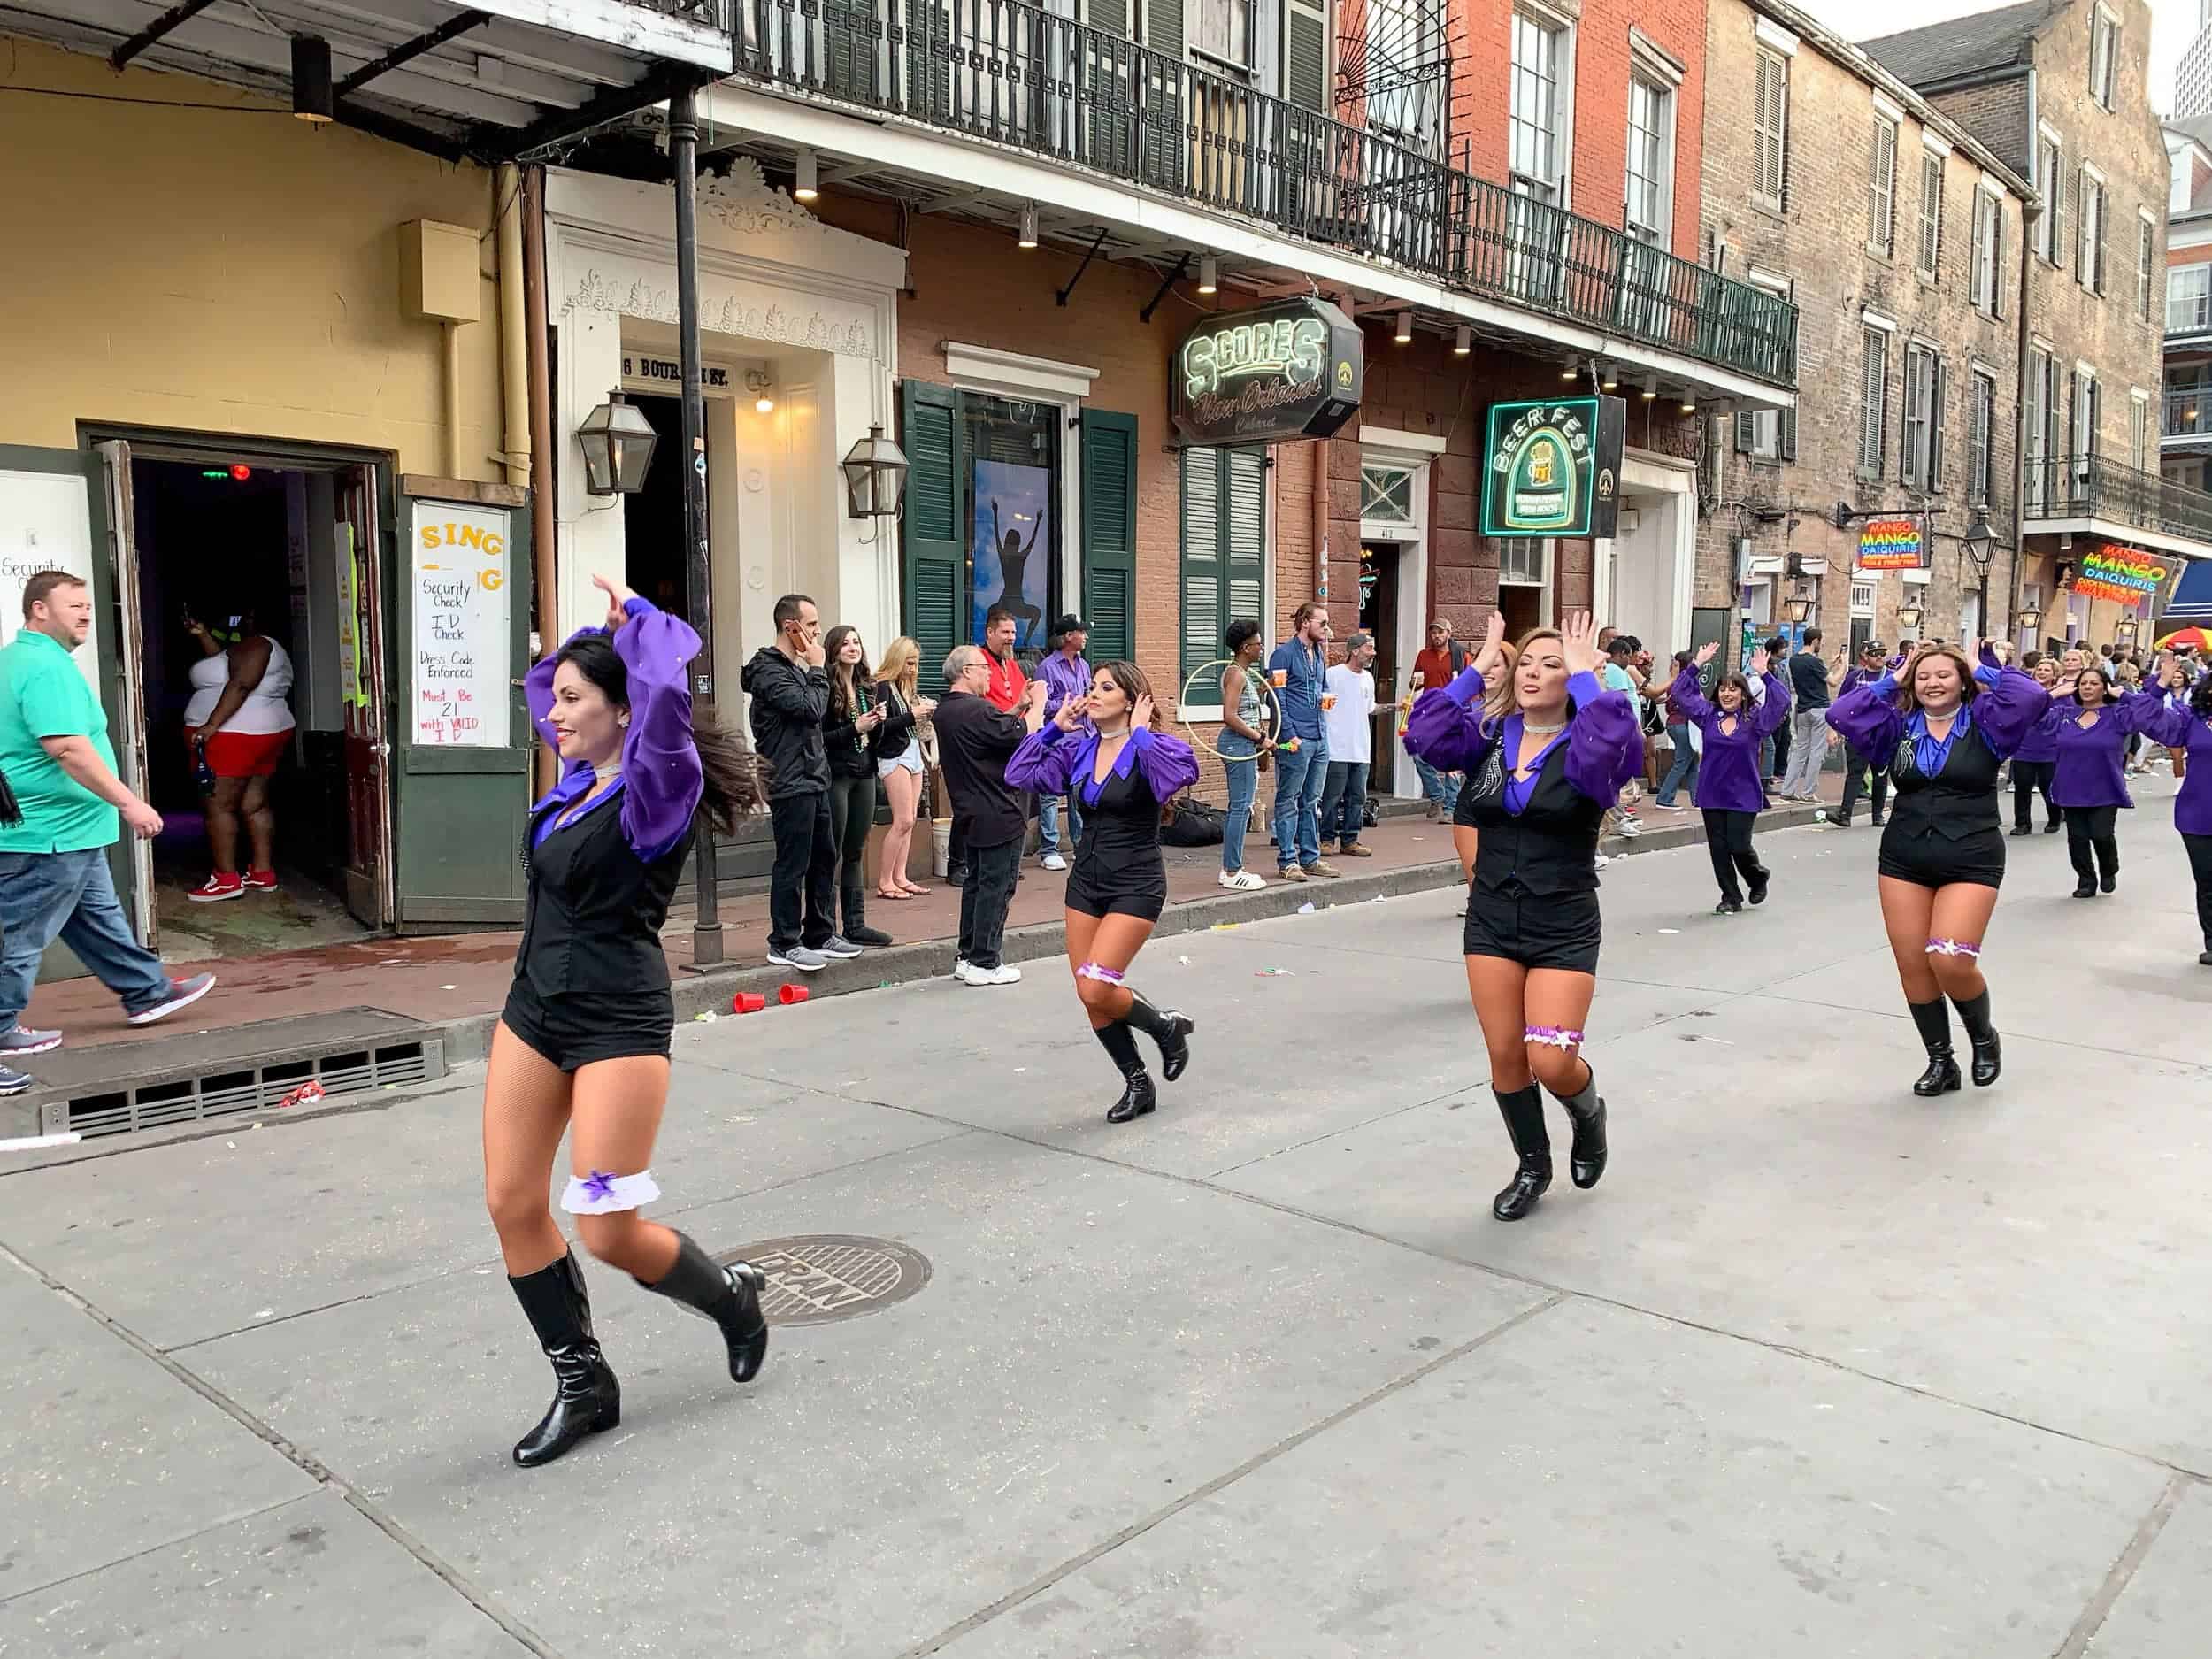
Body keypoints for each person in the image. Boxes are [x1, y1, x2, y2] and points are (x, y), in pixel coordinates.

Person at [486, 574, 771, 1469]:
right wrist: (581, 652)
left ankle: (728, 1296)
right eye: (556, 699)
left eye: (574, 701)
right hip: (534, 1012)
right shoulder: (573, 785)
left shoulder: (655, 791)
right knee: (511, 1201)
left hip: (617, 1022)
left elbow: (665, 704)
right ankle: (584, 1383)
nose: (554, 714)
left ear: (623, 709)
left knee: (606, 1227)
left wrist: (639, 628)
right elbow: (561, 695)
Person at [1403, 612, 1642, 1223]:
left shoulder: (1588, 746)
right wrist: (1476, 668)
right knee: (1508, 1055)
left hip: (1562, 918)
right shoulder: (1488, 734)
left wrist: (1590, 678)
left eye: (1551, 663)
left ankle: (1588, 1111)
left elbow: (1619, 746)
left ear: (1575, 678)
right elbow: (1423, 734)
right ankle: (1532, 1164)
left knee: (1551, 1059)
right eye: (1527, 663)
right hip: (1490, 918)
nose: (1534, 672)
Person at [0, 572, 217, 1098]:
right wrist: (130, 802)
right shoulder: (45, 669)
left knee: (96, 918)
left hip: (68, 830)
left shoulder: (16, 659)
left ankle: (146, 992)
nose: (84, 614)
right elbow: (68, 748)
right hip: (49, 832)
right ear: (38, 611)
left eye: (87, 606)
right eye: (72, 605)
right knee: (18, 935)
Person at [1826, 641, 2051, 1095]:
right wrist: (1891, 680)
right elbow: (1842, 715)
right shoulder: (1897, 726)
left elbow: (2033, 697)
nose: (1933, 682)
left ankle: (1984, 1037)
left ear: (1962, 681)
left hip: (1971, 853)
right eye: (1923, 675)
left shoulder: (1988, 722)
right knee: (1914, 965)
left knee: (1948, 960)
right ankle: (1940, 1060)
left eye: (1945, 674)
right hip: (1905, 855)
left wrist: (1982, 669)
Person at [1008, 660, 1201, 1122]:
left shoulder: (1155, 748)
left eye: (1106, 687)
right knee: (1087, 993)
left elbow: (1179, 774)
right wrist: (1053, 728)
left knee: (1098, 986)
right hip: (1086, 883)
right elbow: (1018, 774)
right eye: (1092, 686)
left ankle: (1165, 1027)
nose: (1092, 693)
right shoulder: (1079, 748)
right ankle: (1137, 1080)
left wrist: (1138, 734)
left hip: (1136, 883)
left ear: (1132, 701)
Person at [742, 595, 860, 973]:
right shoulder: (768, 671)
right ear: (790, 628)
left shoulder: (794, 668)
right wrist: (817, 670)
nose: (818, 633)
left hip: (814, 775)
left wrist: (811, 671)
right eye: (811, 626)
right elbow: (811, 709)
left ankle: (820, 932)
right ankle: (784, 941)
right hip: (789, 779)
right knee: (793, 862)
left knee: (824, 856)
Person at [178, 602, 296, 902]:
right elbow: (222, 667)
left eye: (246, 615)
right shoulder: (258, 647)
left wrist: (211, 725)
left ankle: (226, 877)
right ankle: (261, 872)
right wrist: (202, 634)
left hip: (236, 736)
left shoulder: (256, 645)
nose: (238, 622)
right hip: (261, 733)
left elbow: (242, 684)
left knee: (218, 806)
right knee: (254, 803)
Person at [1669, 642, 1791, 913]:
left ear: (1743, 694)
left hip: (1743, 792)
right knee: (1719, 849)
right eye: (1723, 689)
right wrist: (1695, 665)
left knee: (1739, 845)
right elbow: (1679, 693)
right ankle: (1730, 897)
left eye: (1733, 689)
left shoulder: (1755, 719)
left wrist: (1765, 674)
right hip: (1712, 791)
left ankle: (1756, 875)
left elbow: (1782, 701)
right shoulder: (1708, 715)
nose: (1727, 693)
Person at [934, 645, 1031, 986]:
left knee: (976, 885)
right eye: (984, 668)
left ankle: (968, 956)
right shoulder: (977, 710)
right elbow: (1020, 737)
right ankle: (986, 961)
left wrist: (1017, 707)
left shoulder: (947, 710)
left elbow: (995, 731)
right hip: (998, 810)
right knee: (996, 887)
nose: (990, 673)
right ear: (966, 671)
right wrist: (1036, 710)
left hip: (970, 810)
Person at [2041, 663, 2162, 899]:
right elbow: (2030, 712)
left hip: (2105, 786)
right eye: (2083, 683)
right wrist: (2053, 694)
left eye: (2094, 683)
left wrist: (2124, 695)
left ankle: (2109, 869)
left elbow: (2147, 711)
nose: (2087, 687)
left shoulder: (2117, 715)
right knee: (2077, 838)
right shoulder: (2064, 714)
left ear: (2105, 687)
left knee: (2101, 834)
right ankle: (2086, 879)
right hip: (2070, 786)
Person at [820, 625, 894, 949]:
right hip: (837, 775)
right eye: (846, 643)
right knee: (831, 852)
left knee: (855, 851)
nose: (853, 648)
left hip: (865, 773)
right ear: (833, 649)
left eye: (857, 642)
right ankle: (824, 926)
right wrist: (856, 727)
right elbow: (820, 740)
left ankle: (855, 924)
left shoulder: (867, 687)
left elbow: (872, 738)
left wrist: (877, 723)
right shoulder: (824, 687)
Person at [947, 606, 1031, 885]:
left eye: (1014, 632)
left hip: (1007, 738)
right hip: (984, 738)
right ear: (990, 632)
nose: (1011, 638)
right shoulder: (977, 660)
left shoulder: (1012, 663)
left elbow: (1015, 697)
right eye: (1005, 632)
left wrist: (1022, 705)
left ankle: (1006, 862)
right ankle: (958, 863)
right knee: (972, 807)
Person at [2136, 661, 2212, 964]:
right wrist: (2160, 684)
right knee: (2207, 882)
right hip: (2199, 812)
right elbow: (2145, 717)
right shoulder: (2193, 717)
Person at [1269, 602, 1334, 880]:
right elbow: (1277, 699)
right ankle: (1287, 860)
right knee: (1289, 799)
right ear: (1306, 622)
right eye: (1323, 623)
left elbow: (1324, 686)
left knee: (1311, 800)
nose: (1327, 629)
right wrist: (1289, 734)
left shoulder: (1319, 653)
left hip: (1319, 735)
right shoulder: (1282, 655)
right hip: (1297, 738)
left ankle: (1310, 857)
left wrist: (1328, 701)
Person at [869, 637, 934, 902]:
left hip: (912, 751)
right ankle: (885, 881)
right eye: (909, 663)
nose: (913, 669)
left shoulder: (905, 687)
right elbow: (879, 729)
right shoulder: (882, 686)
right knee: (903, 820)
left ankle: (901, 876)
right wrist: (913, 714)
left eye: (916, 664)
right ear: (897, 660)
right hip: (893, 755)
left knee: (910, 819)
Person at [1217, 619, 1272, 891]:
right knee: (1240, 808)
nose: (1261, 648)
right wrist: (1260, 738)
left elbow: (1245, 706)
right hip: (1236, 744)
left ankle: (1231, 868)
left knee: (1242, 806)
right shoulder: (1236, 674)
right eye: (1258, 644)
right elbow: (1229, 715)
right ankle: (1232, 870)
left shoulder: (1243, 673)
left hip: (1243, 744)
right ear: (1245, 647)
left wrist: (1266, 687)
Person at [1035, 616, 1091, 872]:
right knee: (1049, 794)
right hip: (1056, 737)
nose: (1086, 637)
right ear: (1069, 636)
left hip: (1082, 737)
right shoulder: (1047, 667)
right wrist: (1069, 705)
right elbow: (1043, 703)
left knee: (1078, 793)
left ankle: (1080, 845)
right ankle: (1049, 849)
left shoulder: (1084, 666)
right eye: (1082, 632)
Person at [1317, 632, 1378, 858]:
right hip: (1336, 746)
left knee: (1357, 797)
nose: (1373, 652)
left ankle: (1350, 839)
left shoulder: (1368, 678)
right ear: (1355, 651)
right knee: (1332, 796)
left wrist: (1396, 708)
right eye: (1369, 648)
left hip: (1361, 747)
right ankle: (1326, 839)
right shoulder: (1333, 675)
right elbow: (1321, 703)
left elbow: (1370, 708)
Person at [1832, 640, 1893, 828]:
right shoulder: (1855, 677)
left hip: (1881, 734)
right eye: (1875, 654)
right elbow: (1841, 702)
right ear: (1866, 657)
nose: (1880, 657)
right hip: (1858, 733)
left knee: (1880, 775)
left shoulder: (1892, 676)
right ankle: (1845, 814)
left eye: (1883, 653)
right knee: (1855, 774)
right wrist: (1835, 728)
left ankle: (1877, 815)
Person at [1409, 618, 1465, 818]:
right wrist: (1415, 683)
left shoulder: (1460, 655)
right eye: (1433, 633)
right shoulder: (1424, 655)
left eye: (1440, 632)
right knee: (1418, 756)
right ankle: (1437, 796)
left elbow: (1471, 684)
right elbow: (1414, 684)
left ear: (1449, 633)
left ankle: (1450, 808)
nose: (1437, 636)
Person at [1777, 626, 1839, 804]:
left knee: (1800, 750)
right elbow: (1833, 682)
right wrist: (1841, 668)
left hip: (1802, 709)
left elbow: (1814, 675)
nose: (1823, 644)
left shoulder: (1794, 660)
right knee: (1817, 752)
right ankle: (1808, 792)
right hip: (1819, 710)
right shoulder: (1815, 661)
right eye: (1822, 641)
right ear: (1815, 641)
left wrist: (1831, 665)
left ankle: (1787, 790)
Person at [2008, 657, 2063, 836]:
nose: (2041, 672)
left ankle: (2055, 818)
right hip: (2024, 747)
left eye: (2047, 670)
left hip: (2050, 748)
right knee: (2022, 786)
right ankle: (2022, 824)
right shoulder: (2026, 692)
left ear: (2054, 674)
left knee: (2048, 786)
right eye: (2039, 669)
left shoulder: (2062, 695)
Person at [1600, 634, 1647, 839]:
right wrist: (1636, 730)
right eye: (1628, 656)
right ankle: (1616, 820)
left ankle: (1618, 817)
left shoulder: (1610, 670)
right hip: (1623, 732)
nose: (1629, 661)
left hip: (1619, 731)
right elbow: (1622, 704)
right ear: (1621, 654)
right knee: (1619, 777)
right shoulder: (1615, 671)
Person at [987, 498, 1043, 644]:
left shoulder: (1011, 557)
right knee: (1036, 612)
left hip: (1010, 599)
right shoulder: (1014, 557)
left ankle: (1024, 641)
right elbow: (1030, 542)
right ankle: (1025, 640)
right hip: (1013, 600)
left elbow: (998, 537)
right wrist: (1037, 521)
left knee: (993, 612)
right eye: (1012, 543)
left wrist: (995, 513)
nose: (1013, 545)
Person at [1653, 649, 1701, 810]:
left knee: (1691, 761)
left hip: (1675, 723)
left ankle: (1697, 799)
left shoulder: (1675, 681)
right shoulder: (1686, 682)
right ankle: (1665, 798)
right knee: (1682, 762)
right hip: (1682, 724)